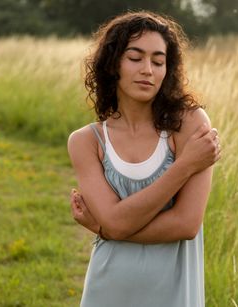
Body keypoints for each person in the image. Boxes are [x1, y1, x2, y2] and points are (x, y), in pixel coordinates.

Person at [66, 11, 221, 307]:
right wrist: (186, 165)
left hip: (174, 295)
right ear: (113, 65)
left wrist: (106, 228)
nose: (148, 69)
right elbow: (114, 223)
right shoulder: (86, 141)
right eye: (135, 58)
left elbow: (186, 224)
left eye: (158, 61)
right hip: (107, 290)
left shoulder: (189, 124)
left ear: (167, 68)